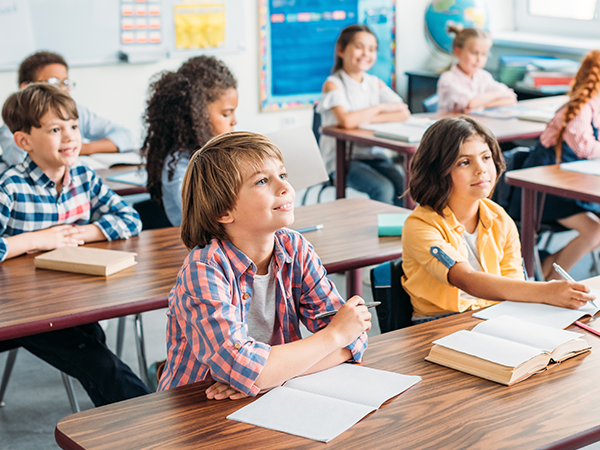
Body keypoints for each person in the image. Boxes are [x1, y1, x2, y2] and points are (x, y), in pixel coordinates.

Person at [157, 132, 370, 399]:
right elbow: (246, 367)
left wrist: (273, 375)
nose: (284, 188)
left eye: (282, 175)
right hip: (198, 410)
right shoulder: (204, 269)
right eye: (261, 181)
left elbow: (356, 338)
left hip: (267, 399)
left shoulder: (296, 248)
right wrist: (334, 337)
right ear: (223, 211)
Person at [0, 83, 150, 405]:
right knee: (101, 363)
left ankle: (114, 426)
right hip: (25, 308)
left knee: (93, 342)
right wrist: (36, 240)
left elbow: (130, 218)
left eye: (73, 126)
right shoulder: (10, 187)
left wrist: (82, 233)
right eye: (55, 129)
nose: (70, 137)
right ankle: (146, 421)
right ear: (24, 141)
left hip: (72, 296)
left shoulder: (83, 176)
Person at [401, 116, 594, 322]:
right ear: (438, 172)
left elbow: (515, 284)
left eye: (486, 158)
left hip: (493, 312)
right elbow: (465, 278)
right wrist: (546, 291)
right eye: (464, 162)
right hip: (439, 321)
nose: (481, 169)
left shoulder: (499, 218)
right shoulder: (420, 225)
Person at [508, 50, 600, 280]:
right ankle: (555, 277)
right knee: (595, 230)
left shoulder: (595, 108)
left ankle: (551, 267)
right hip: (544, 192)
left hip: (573, 186)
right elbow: (585, 149)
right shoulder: (579, 108)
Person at [317, 24, 410, 206]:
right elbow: (347, 120)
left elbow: (403, 112)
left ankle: (401, 232)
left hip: (373, 155)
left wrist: (362, 118)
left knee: (403, 185)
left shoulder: (375, 83)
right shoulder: (333, 84)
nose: (366, 54)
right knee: (383, 188)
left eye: (372, 49)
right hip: (341, 160)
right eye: (359, 47)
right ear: (342, 50)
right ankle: (380, 234)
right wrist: (379, 107)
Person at [142, 56, 238, 226]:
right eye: (226, 114)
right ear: (198, 115)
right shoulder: (178, 166)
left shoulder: (213, 155)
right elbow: (207, 219)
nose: (234, 121)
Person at [0, 51, 137, 166]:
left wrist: (80, 148)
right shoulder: (12, 126)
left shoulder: (78, 112)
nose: (63, 89)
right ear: (26, 87)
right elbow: (18, 159)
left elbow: (127, 137)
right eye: (53, 82)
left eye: (65, 83)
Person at [437, 26, 516, 113]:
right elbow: (470, 103)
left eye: (483, 54)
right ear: (458, 52)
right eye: (474, 53)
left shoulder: (483, 76)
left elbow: (511, 99)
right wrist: (497, 95)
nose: (479, 59)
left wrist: (482, 106)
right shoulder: (448, 79)